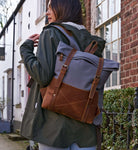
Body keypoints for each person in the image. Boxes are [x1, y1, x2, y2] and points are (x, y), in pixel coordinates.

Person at [20, 0, 108, 150]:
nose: (47, 12)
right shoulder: (91, 41)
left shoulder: (51, 33)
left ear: (63, 8)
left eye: (50, 8)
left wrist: (26, 50)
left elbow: (42, 76)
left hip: (54, 128)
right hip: (86, 129)